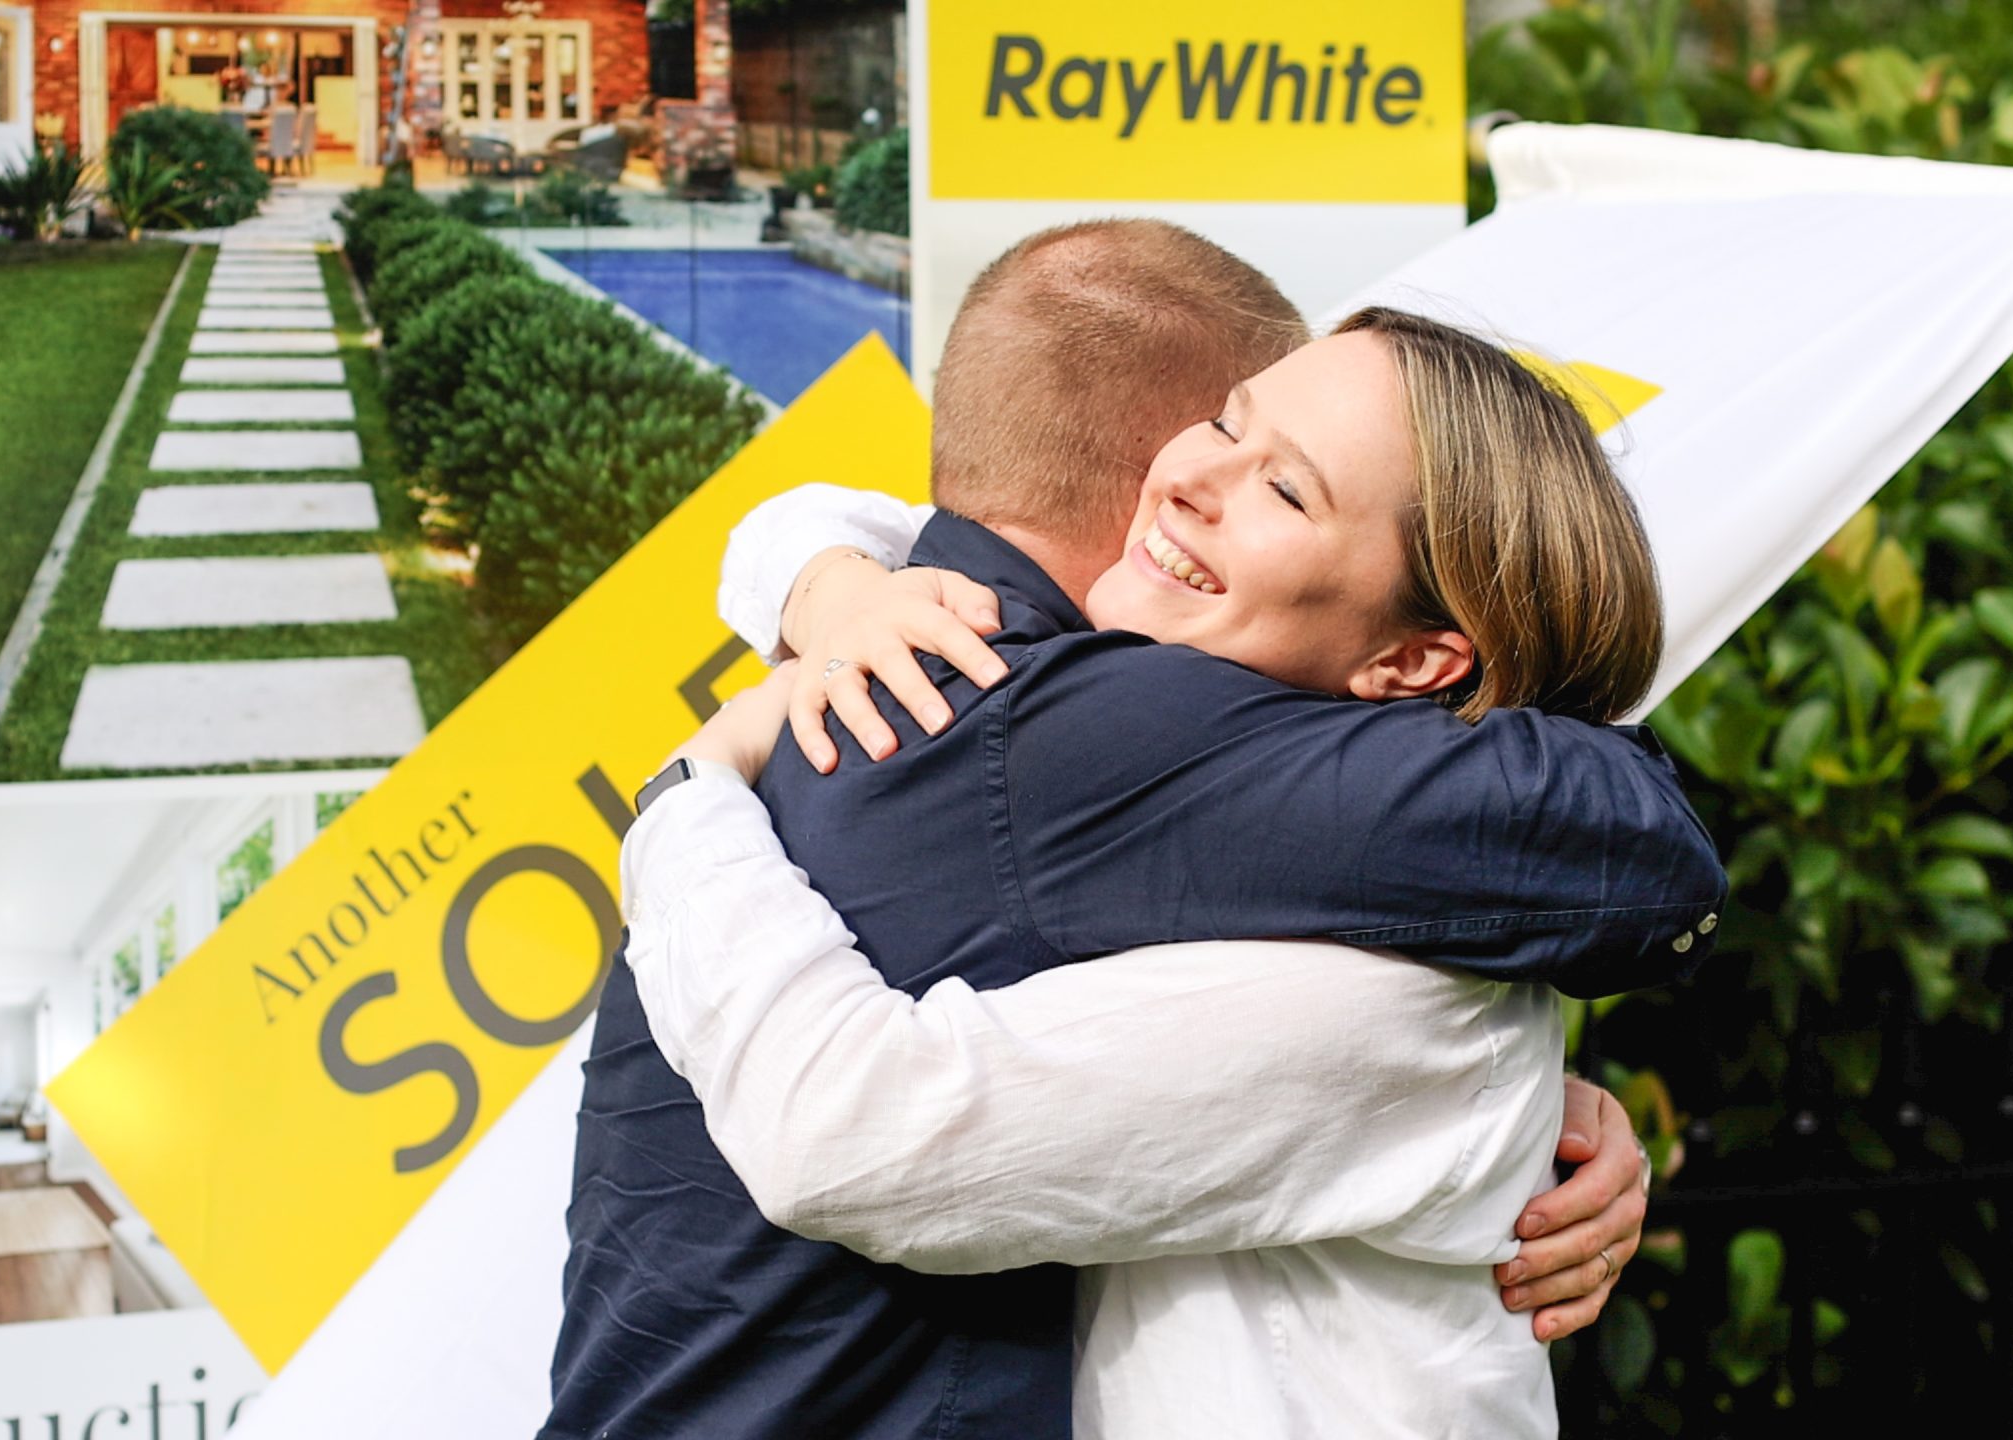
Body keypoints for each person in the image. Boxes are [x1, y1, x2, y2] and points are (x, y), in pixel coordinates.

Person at [542, 225, 1722, 1440]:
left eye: (1286, 488)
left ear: (1416, 661)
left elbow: (855, 1131)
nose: (1197, 477)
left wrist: (696, 783)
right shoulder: (1072, 734)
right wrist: (807, 593)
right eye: (1223, 422)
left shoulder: (1047, 724)